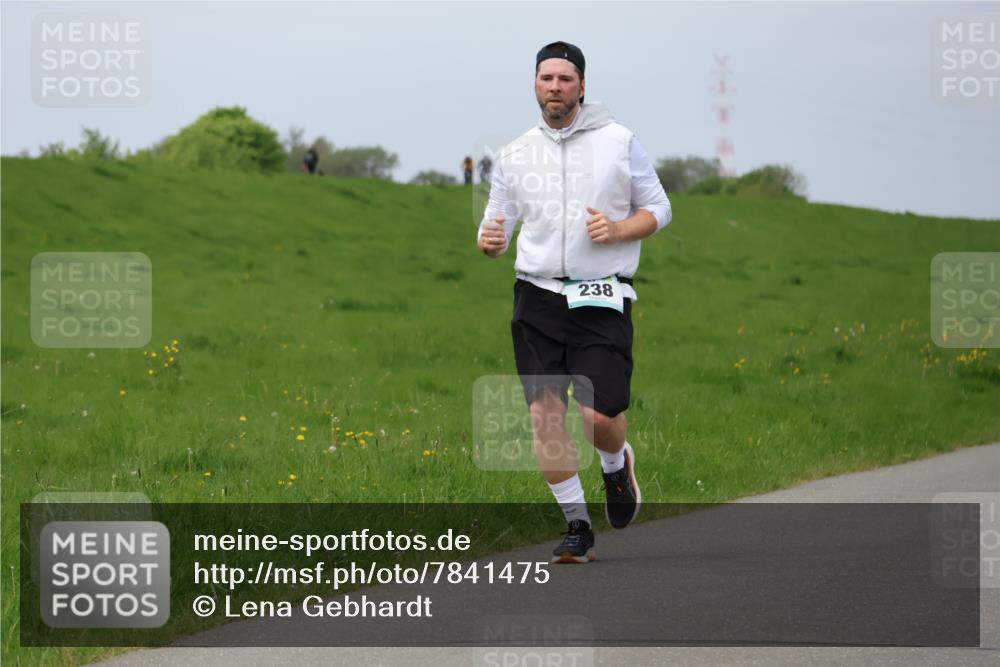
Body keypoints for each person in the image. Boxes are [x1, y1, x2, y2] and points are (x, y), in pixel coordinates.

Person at [476, 41, 671, 564]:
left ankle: (616, 464)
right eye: (546, 78)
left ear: (582, 86)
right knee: (545, 417)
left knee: (597, 417)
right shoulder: (515, 153)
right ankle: (577, 526)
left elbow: (659, 207)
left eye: (565, 79)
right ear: (535, 85)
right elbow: (497, 223)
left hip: (600, 294)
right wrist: (489, 241)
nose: (555, 87)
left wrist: (620, 230)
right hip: (536, 296)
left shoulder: (618, 141)